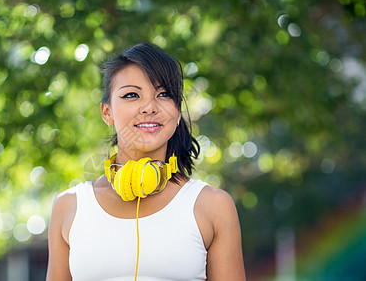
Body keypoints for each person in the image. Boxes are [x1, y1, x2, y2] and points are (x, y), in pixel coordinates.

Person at [46, 42, 246, 280]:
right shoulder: (69, 206)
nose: (149, 107)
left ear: (177, 111)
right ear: (106, 112)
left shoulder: (214, 206)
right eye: (132, 95)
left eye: (163, 94)